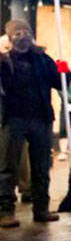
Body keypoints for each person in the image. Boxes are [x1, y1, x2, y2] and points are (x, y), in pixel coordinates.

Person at [0, 21, 62, 227]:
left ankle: (41, 208)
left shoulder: (42, 59)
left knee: (41, 166)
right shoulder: (4, 61)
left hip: (40, 118)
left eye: (26, 32)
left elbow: (58, 82)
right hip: (13, 118)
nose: (22, 36)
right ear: (10, 38)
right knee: (8, 167)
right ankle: (6, 211)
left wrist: (63, 73)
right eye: (17, 33)